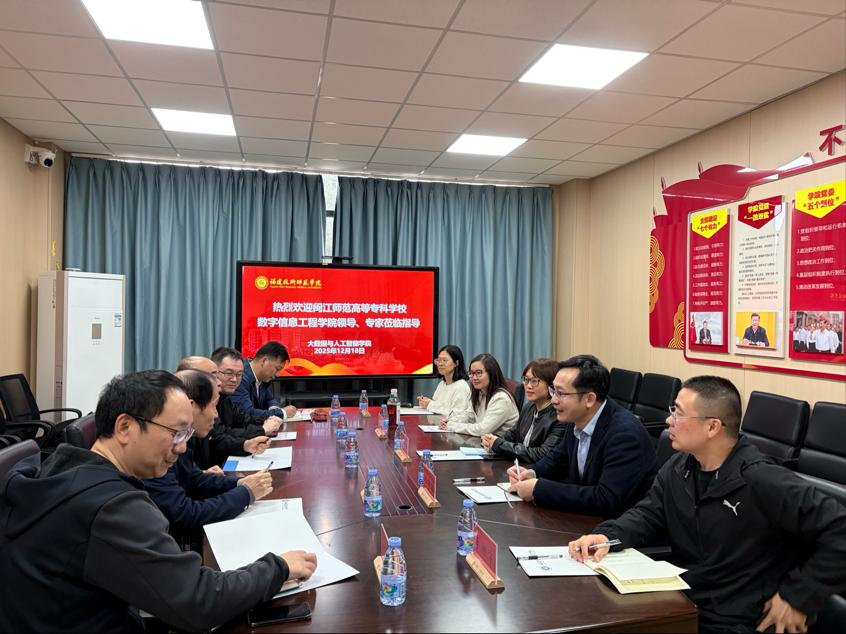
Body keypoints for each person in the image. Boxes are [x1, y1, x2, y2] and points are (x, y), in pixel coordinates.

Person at [0, 370, 316, 633]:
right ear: (125, 427)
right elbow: (198, 601)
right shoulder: (112, 508)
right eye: (176, 433)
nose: (182, 448)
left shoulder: (55, 467)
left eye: (187, 435)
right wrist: (278, 567)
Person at [569, 375, 846, 634]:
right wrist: (608, 536)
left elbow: (840, 529)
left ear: (712, 426)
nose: (668, 420)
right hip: (687, 603)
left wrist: (798, 596)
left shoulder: (761, 478)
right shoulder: (679, 466)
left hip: (742, 618)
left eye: (678, 413)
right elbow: (648, 513)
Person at [507, 355, 657, 518]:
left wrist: (539, 489)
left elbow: (605, 499)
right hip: (584, 518)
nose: (554, 400)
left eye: (560, 393)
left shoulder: (624, 435)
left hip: (616, 524)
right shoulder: (576, 417)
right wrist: (532, 472)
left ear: (589, 399)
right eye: (553, 390)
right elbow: (559, 458)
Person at [143, 369, 273, 541]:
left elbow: (193, 478)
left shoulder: (178, 438)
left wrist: (239, 483)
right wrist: (245, 493)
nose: (216, 414)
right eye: (213, 405)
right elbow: (184, 515)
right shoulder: (157, 447)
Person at [180, 353, 272, 469]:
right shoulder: (178, 430)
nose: (218, 382)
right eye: (213, 376)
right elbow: (219, 437)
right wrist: (261, 430)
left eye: (239, 374)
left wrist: (246, 445)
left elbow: (220, 436)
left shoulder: (224, 398)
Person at [480, 357, 565, 462]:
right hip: (518, 466)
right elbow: (512, 434)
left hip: (535, 469)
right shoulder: (529, 407)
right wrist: (490, 439)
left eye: (534, 381)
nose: (528, 386)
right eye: (526, 380)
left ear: (551, 384)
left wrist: (498, 444)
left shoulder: (559, 415)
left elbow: (541, 455)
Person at [438, 353, 518, 437]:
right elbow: (469, 415)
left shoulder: (501, 399)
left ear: (491, 373)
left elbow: (482, 430)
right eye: (472, 373)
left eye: (479, 373)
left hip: (498, 443)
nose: (474, 378)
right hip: (481, 441)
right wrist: (450, 421)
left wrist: (453, 426)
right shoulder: (480, 393)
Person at [231, 341, 298, 421]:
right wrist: (282, 412)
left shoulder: (262, 378)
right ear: (264, 361)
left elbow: (270, 400)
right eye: (277, 369)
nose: (278, 375)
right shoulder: (240, 377)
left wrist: (274, 407)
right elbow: (248, 414)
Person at [416, 344, 471, 416]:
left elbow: (457, 414)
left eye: (445, 360)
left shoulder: (461, 386)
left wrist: (430, 404)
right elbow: (438, 406)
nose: (440, 364)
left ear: (456, 363)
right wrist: (426, 402)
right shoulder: (442, 384)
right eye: (438, 360)